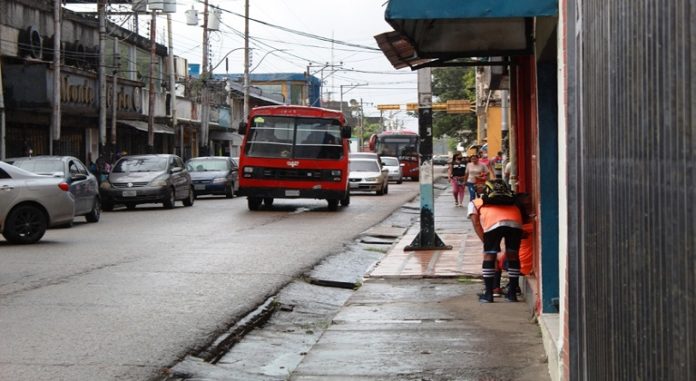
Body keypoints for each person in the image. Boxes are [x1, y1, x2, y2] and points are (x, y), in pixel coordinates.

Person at [467, 179, 524, 303]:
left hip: (493, 225)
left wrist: (485, 242)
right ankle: (512, 294)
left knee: (489, 256)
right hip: (515, 223)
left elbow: (476, 224)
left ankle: (488, 294)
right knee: (513, 255)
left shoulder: (476, 202)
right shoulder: (513, 201)